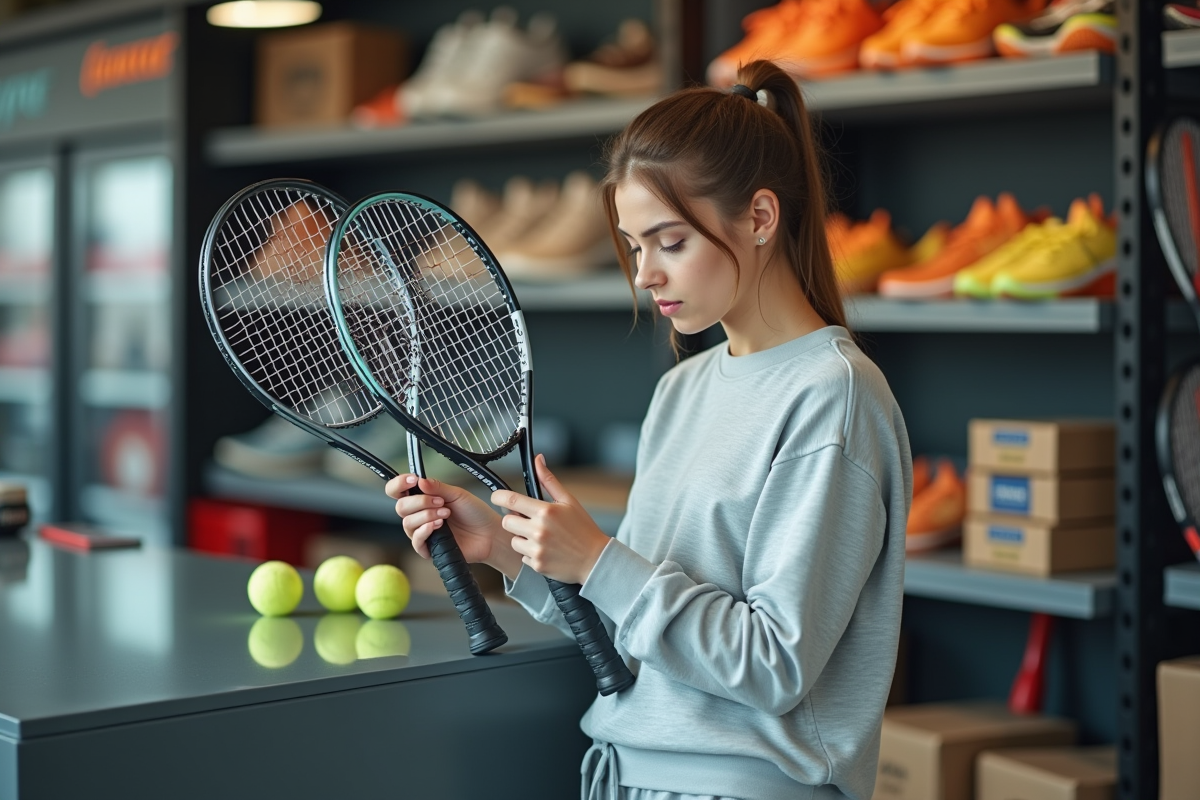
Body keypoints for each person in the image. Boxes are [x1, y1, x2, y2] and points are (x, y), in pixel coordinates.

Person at [385, 60, 912, 800]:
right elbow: (638, 631)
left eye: (670, 242)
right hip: (625, 775)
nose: (644, 274)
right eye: (635, 246)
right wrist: (505, 548)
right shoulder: (680, 390)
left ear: (761, 218)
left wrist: (598, 558)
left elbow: (772, 666)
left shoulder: (834, 396)